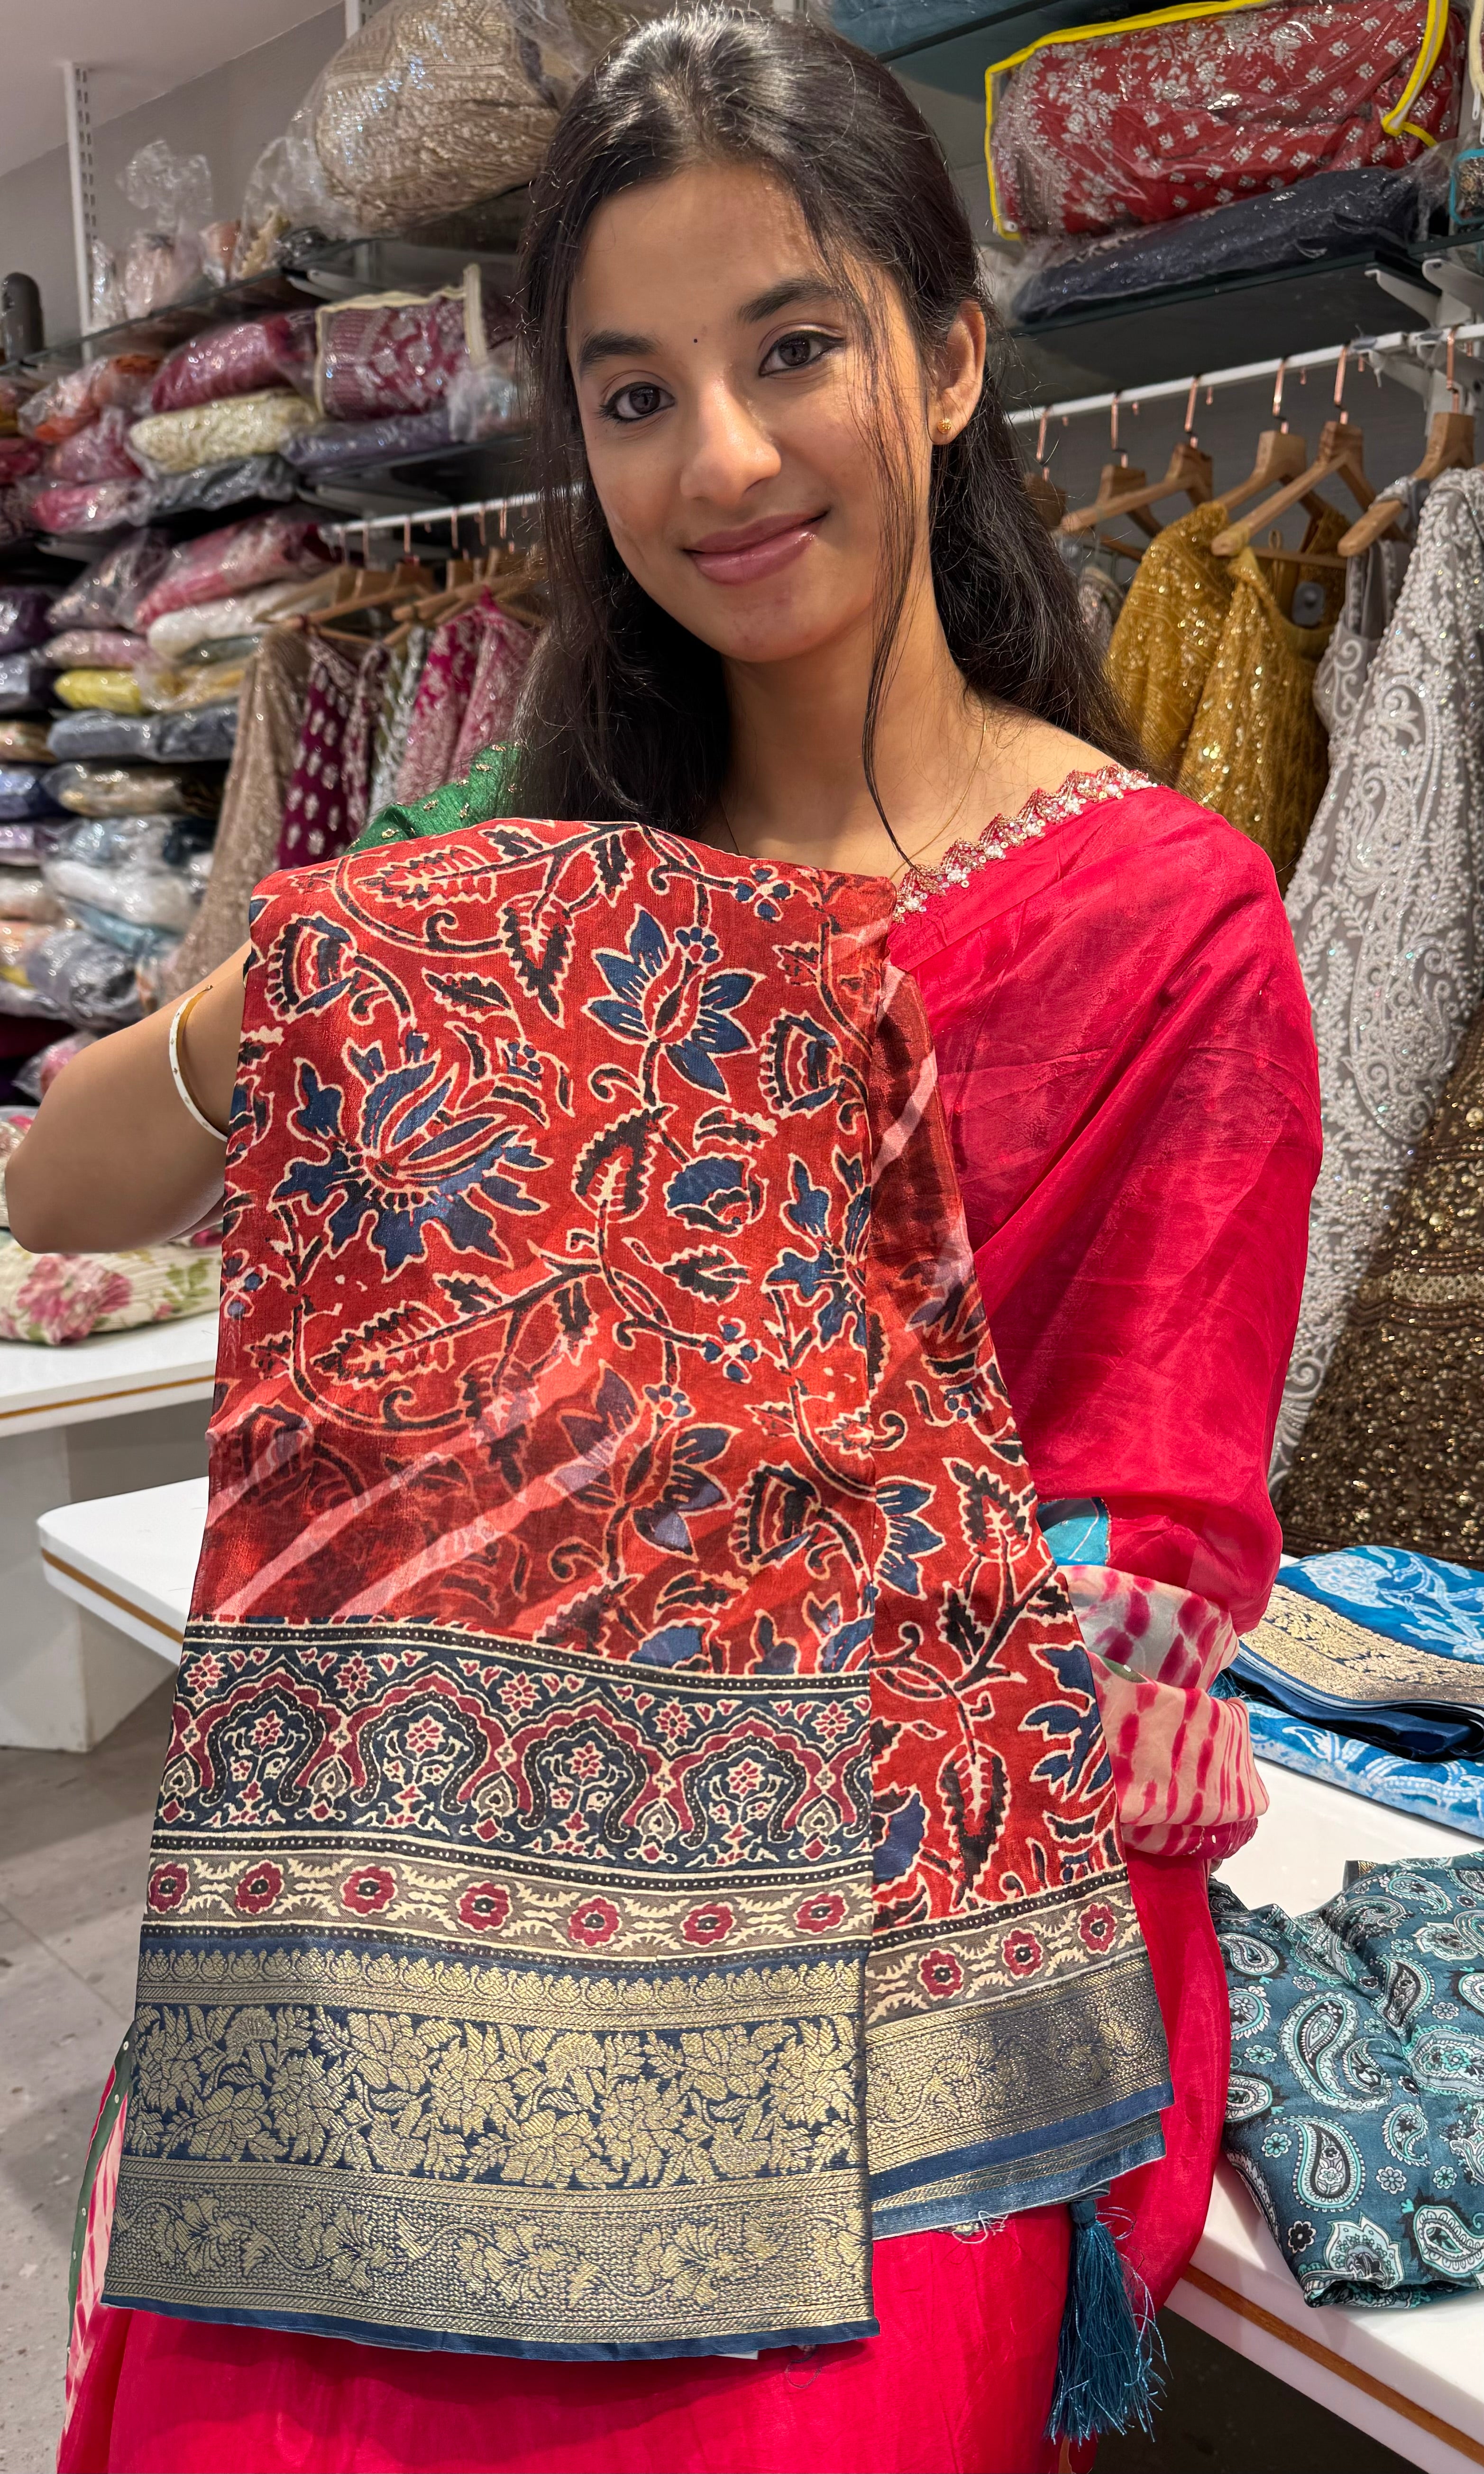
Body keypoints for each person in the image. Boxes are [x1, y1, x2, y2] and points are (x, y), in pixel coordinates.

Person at [11, 11, 1320, 2470]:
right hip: (461, 1865)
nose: (717, 457)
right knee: (239, 2382)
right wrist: (312, 972)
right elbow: (59, 1186)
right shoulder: (519, 871)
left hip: (923, 1908)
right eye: (632, 393)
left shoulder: (1162, 923)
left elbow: (1133, 1560)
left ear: (948, 360)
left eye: (792, 348)